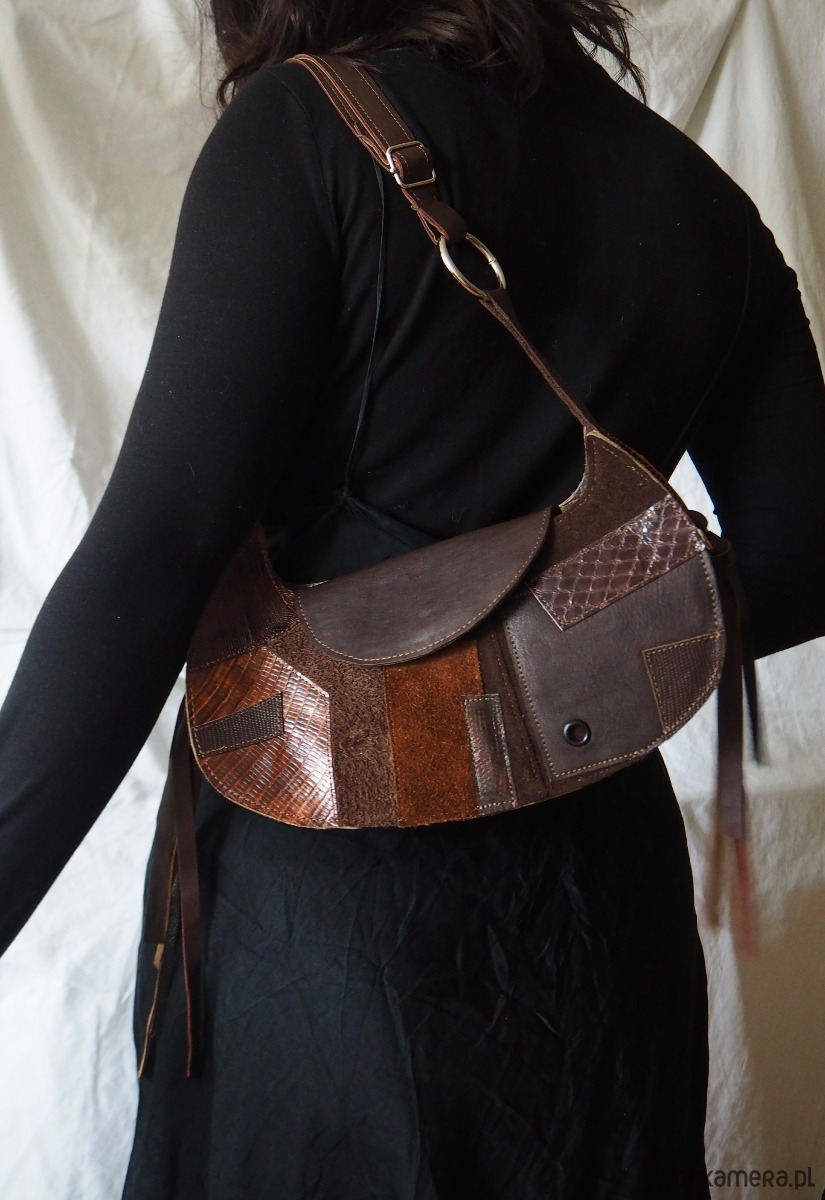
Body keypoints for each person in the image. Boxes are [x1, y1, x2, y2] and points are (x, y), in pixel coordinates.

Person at [1, 1, 824, 1197]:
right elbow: (799, 565)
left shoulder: (308, 129)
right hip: (600, 933)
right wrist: (566, 626)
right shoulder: (708, 207)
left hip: (330, 928)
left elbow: (147, 567)